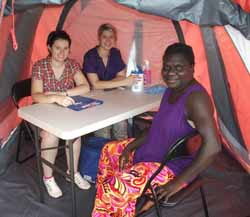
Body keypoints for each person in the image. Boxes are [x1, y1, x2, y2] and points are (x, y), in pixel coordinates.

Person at [91, 43, 221, 216]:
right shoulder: (171, 90)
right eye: (167, 68)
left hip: (170, 166)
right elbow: (157, 128)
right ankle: (116, 206)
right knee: (109, 150)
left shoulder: (196, 98)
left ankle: (114, 198)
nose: (170, 73)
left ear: (192, 68)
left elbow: (213, 146)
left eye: (178, 68)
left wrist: (177, 183)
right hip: (152, 152)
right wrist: (130, 147)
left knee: (116, 186)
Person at [31, 30, 91, 198]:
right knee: (51, 135)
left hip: (64, 109)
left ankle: (72, 172)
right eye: (58, 48)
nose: (62, 52)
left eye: (66, 48)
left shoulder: (72, 65)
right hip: (41, 111)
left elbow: (85, 87)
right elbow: (36, 95)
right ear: (49, 47)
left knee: (75, 133)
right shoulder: (40, 66)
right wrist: (53, 98)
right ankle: (48, 177)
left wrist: (61, 94)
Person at [82, 23, 134, 140]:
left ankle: (120, 156)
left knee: (121, 126)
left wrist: (118, 82)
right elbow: (95, 84)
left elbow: (121, 75)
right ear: (99, 38)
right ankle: (104, 156)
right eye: (104, 36)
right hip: (94, 100)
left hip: (114, 96)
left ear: (115, 39)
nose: (108, 40)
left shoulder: (115, 53)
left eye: (111, 37)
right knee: (104, 133)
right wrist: (123, 82)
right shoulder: (90, 56)